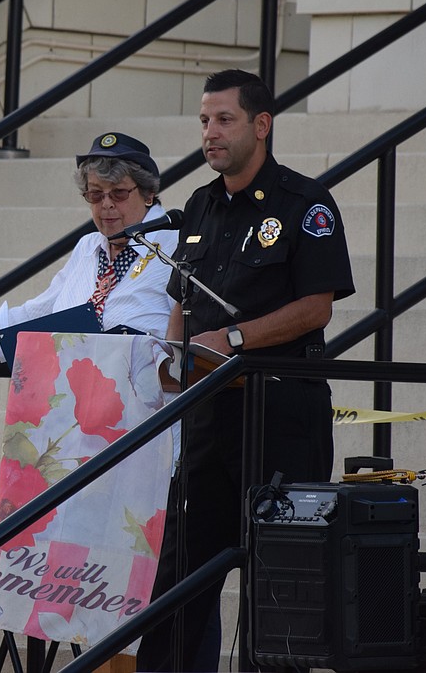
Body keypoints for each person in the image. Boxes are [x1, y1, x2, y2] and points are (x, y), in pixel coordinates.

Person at [137, 70, 355, 672]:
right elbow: (182, 297)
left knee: (281, 584)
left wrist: (232, 339)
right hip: (209, 413)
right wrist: (175, 360)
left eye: (224, 119)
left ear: (261, 125)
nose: (210, 133)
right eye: (204, 120)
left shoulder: (304, 203)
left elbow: (317, 306)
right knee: (180, 581)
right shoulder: (202, 204)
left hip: (280, 412)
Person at [0, 131, 177, 370]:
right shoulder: (88, 247)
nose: (106, 204)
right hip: (83, 422)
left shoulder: (176, 245)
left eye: (119, 193)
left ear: (149, 193)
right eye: (95, 194)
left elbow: (195, 345)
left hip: (150, 422)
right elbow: (31, 320)